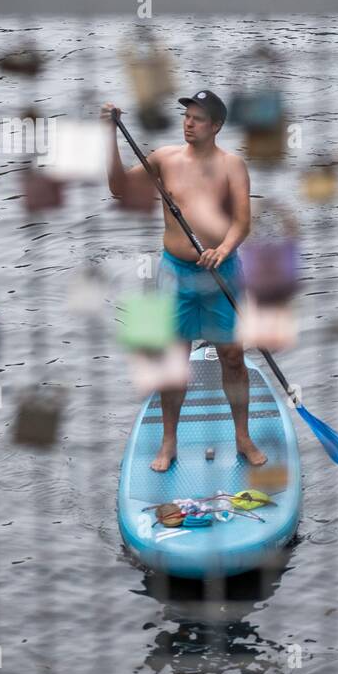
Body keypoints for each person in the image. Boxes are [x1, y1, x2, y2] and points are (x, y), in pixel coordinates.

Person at [103, 90, 268, 471]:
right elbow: (118, 189)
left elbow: (242, 222)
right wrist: (109, 136)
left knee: (232, 356)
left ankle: (242, 437)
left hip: (221, 272)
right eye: (187, 116)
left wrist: (223, 249)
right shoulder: (164, 159)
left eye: (198, 118)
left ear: (216, 126)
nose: (189, 123)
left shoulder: (233, 166)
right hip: (175, 274)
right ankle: (168, 441)